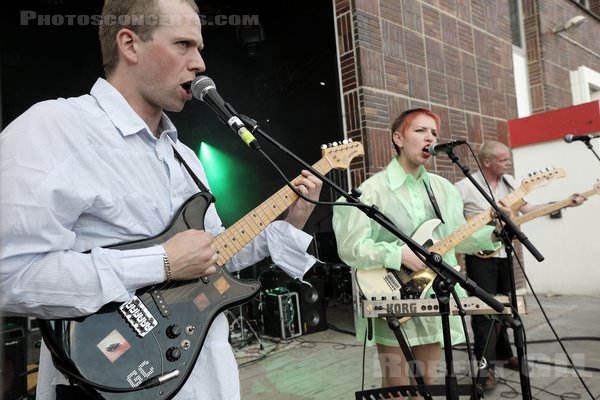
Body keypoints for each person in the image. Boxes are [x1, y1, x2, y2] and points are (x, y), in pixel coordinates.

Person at [0, 0, 322, 399]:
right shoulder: (56, 128)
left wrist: (294, 218)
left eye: (200, 48)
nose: (200, 63)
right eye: (184, 44)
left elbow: (213, 254)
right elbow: (8, 274)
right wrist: (161, 262)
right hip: (107, 377)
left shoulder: (185, 158)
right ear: (129, 45)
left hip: (203, 375)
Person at [332, 109, 507, 398]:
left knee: (426, 383)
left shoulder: (443, 189)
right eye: (421, 131)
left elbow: (458, 238)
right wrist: (397, 254)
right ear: (398, 138)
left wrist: (495, 230)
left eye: (435, 133)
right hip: (392, 294)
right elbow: (351, 248)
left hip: (433, 294)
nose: (430, 138)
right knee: (397, 387)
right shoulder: (371, 191)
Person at [455, 140, 586, 390]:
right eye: (503, 159)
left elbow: (527, 209)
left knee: (507, 308)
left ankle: (504, 354)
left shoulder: (510, 183)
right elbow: (455, 223)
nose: (509, 163)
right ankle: (485, 370)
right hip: (479, 258)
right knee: (483, 313)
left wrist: (563, 202)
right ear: (487, 162)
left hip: (504, 254)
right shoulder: (464, 187)